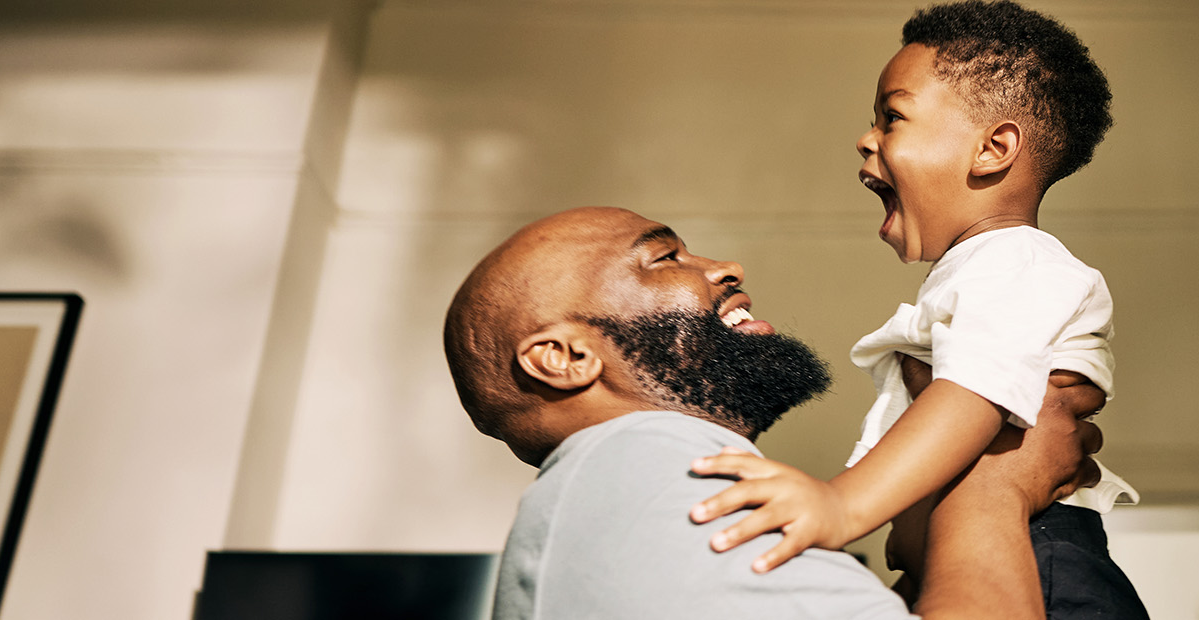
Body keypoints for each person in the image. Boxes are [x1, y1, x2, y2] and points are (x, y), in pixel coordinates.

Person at [687, 2, 1147, 617]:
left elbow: (972, 396)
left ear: (993, 148)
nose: (865, 137)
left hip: (1044, 563)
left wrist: (841, 506)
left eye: (892, 117)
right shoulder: (982, 269)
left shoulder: (1017, 261)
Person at [442, 206, 1107, 619]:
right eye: (665, 257)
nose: (726, 266)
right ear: (563, 357)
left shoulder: (618, 503)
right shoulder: (635, 463)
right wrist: (995, 483)